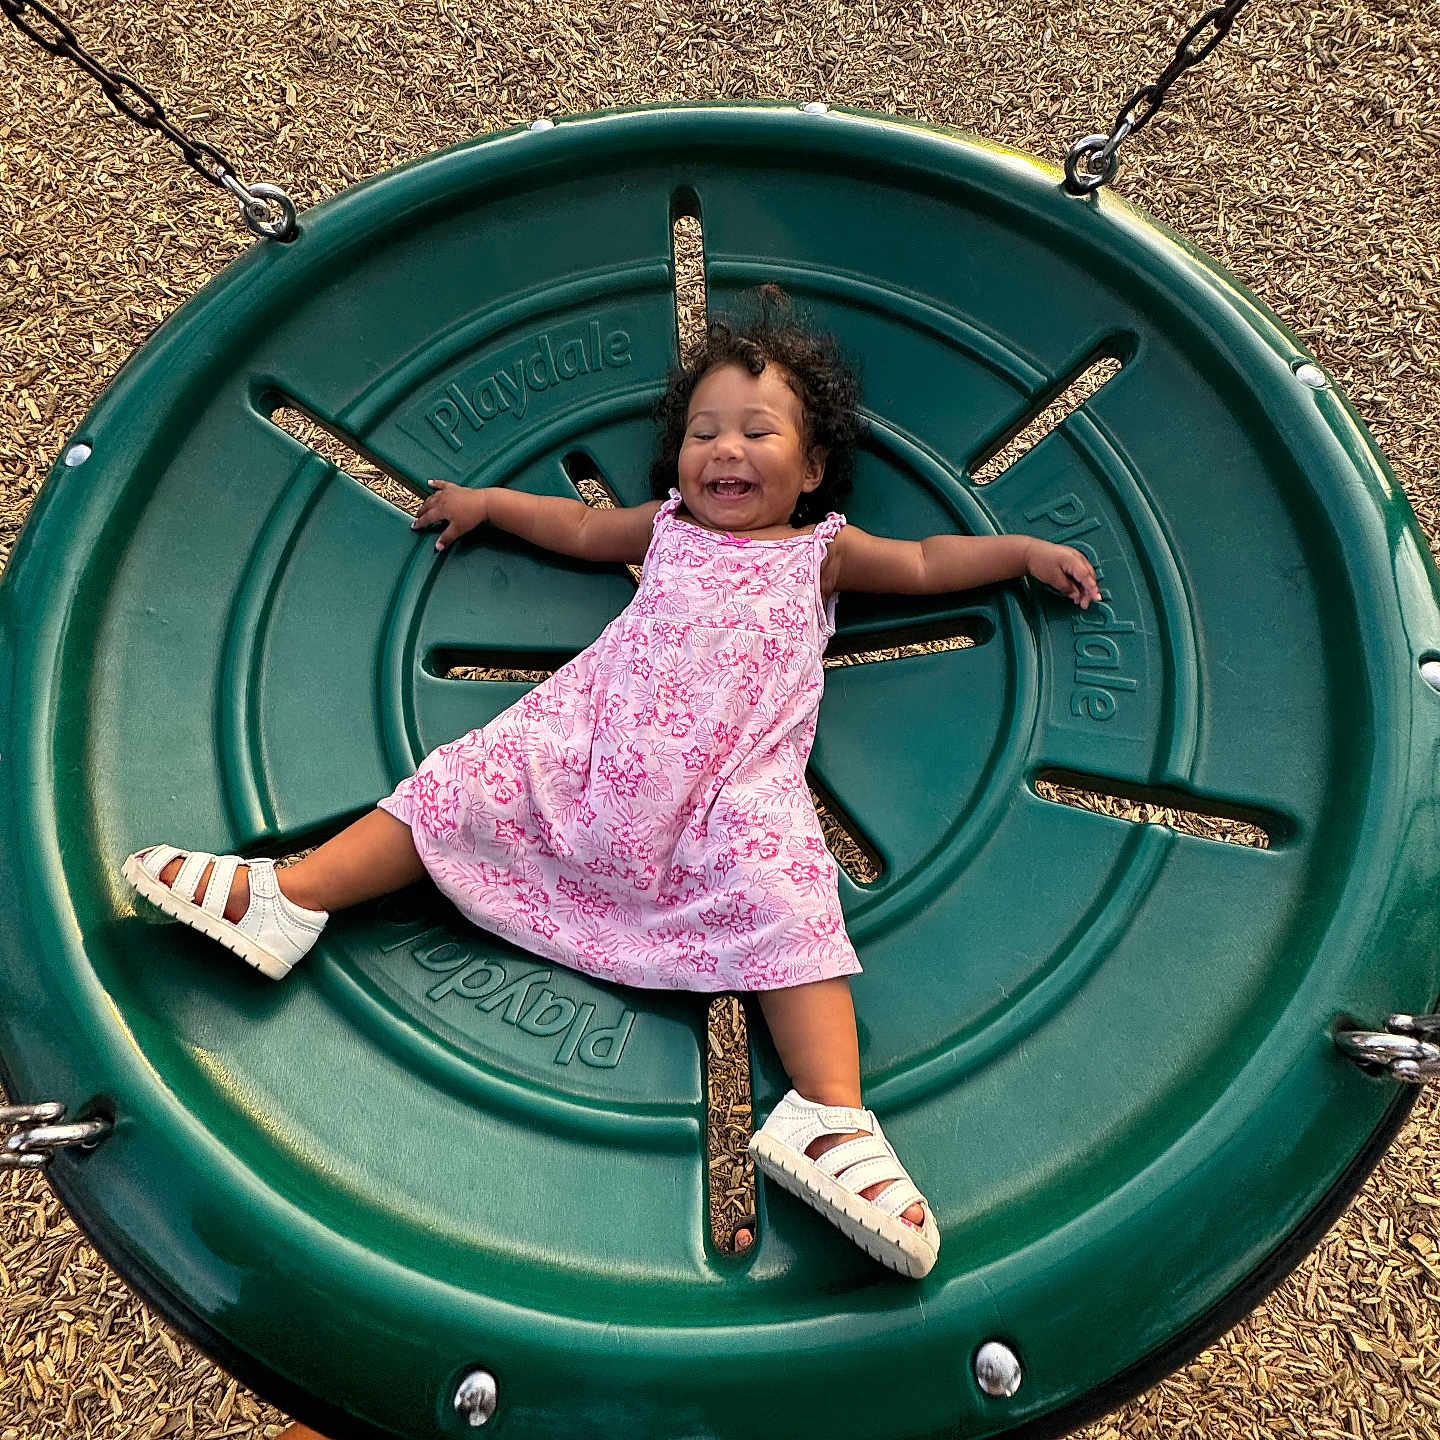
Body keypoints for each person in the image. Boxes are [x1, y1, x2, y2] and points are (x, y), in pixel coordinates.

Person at [121, 284, 1099, 1284]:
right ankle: (287, 898)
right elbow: (581, 533)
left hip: (730, 794)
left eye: (758, 432)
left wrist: (1020, 552)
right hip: (591, 751)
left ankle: (830, 1120)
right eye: (705, 432)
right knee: (457, 787)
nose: (726, 450)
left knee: (791, 902)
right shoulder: (666, 529)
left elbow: (931, 561)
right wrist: (492, 505)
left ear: (810, 470)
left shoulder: (821, 552)